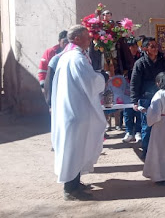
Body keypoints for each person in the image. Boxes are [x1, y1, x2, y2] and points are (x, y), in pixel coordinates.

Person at [51, 25, 107, 201]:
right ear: (76, 39)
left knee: (76, 148)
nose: (89, 40)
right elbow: (89, 82)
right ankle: (70, 188)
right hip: (75, 112)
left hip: (72, 110)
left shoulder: (68, 56)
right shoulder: (76, 58)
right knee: (73, 149)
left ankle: (75, 182)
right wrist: (103, 78)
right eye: (86, 37)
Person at [131, 37, 165, 160]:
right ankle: (147, 151)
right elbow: (135, 83)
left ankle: (163, 152)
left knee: (163, 125)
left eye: (156, 46)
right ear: (145, 49)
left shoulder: (163, 61)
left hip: (163, 97)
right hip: (146, 98)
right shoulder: (140, 63)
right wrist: (135, 100)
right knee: (147, 126)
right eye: (152, 46)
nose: (155, 49)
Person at [122, 38, 143, 143]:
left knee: (139, 110)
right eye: (131, 47)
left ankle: (138, 132)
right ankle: (129, 132)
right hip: (127, 87)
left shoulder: (141, 57)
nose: (134, 49)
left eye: (135, 46)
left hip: (139, 87)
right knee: (128, 110)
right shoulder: (124, 58)